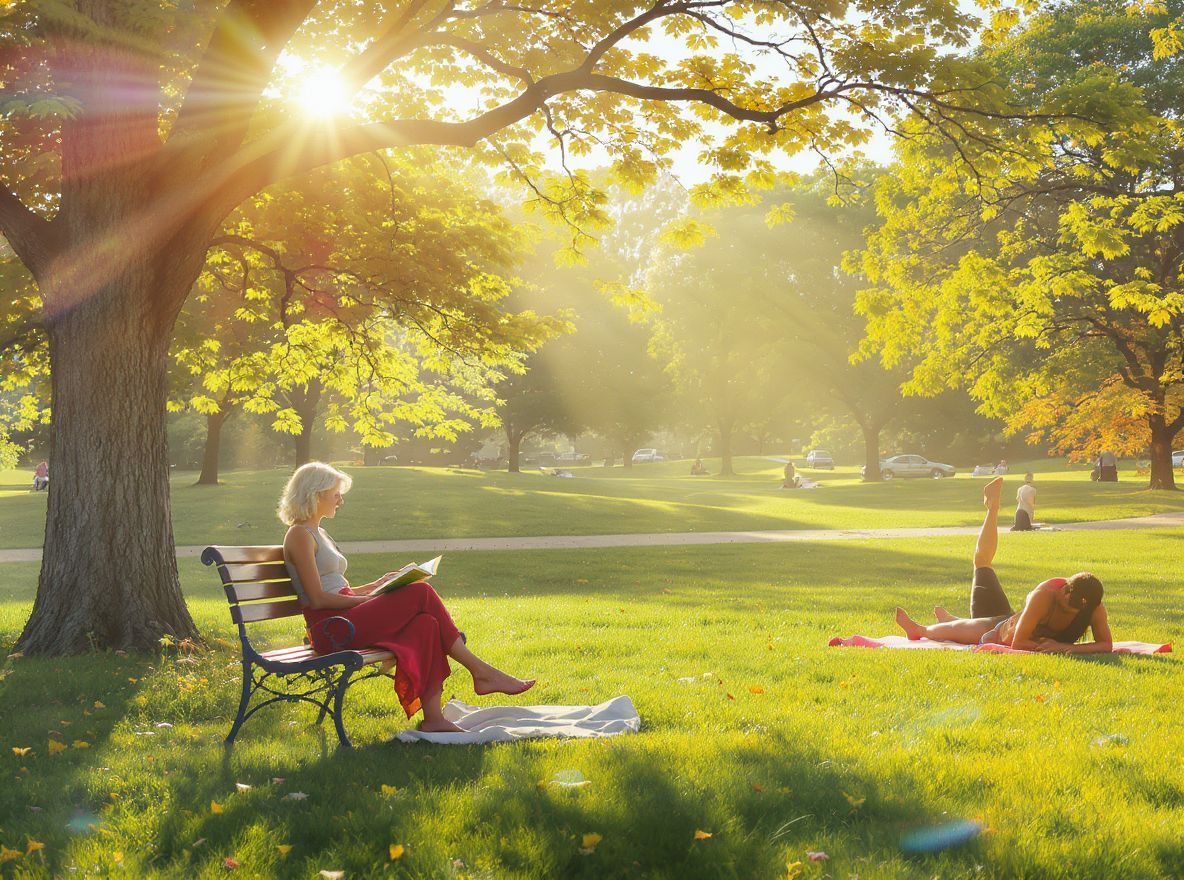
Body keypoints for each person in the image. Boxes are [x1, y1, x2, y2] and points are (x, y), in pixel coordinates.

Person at [279, 462, 534, 732]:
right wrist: (368, 601)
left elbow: (339, 589)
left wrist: (378, 586)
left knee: (426, 624)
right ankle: (481, 671)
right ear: (315, 494)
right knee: (420, 592)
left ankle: (434, 719)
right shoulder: (299, 535)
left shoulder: (319, 533)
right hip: (332, 628)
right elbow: (318, 599)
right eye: (335, 493)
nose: (340, 499)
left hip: (345, 616)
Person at [894, 477, 1113, 653]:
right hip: (1000, 628)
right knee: (982, 564)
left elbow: (1106, 645)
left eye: (1075, 606)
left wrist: (1064, 648)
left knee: (975, 606)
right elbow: (1019, 642)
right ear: (1064, 587)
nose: (1069, 603)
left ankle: (950, 621)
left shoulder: (1092, 605)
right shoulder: (1046, 594)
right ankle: (992, 507)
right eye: (1068, 597)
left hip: (1008, 619)